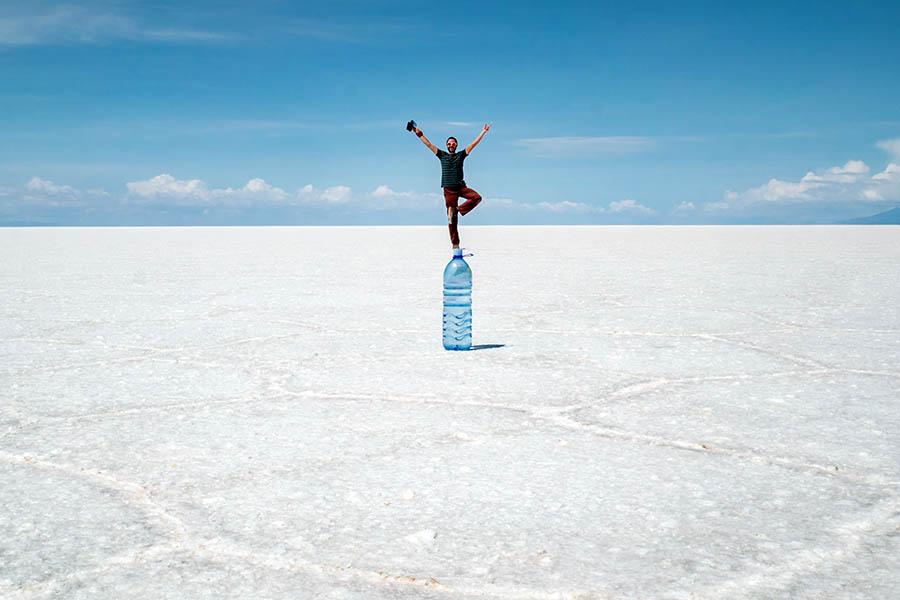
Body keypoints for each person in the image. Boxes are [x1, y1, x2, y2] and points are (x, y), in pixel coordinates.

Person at [410, 123, 490, 248]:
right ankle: (455, 244)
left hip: (461, 187)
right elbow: (429, 145)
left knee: (477, 198)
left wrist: (483, 132)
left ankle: (456, 210)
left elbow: (473, 144)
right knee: (452, 220)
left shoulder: (461, 155)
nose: (451, 145)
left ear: (456, 145)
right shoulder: (442, 155)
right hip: (448, 190)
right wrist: (418, 133)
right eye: (449, 143)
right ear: (446, 145)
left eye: (453, 143)